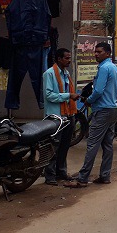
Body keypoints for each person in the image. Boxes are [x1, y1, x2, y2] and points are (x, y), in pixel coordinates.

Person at [74, 41, 117, 185]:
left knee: (92, 144)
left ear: (107, 53)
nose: (96, 54)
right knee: (108, 145)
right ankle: (105, 175)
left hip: (102, 110)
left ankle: (82, 178)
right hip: (113, 108)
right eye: (95, 52)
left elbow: (98, 91)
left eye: (99, 52)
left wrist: (89, 100)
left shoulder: (104, 68)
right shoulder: (114, 67)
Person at [4, 0, 52, 114]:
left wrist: (12, 33)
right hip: (36, 40)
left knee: (16, 75)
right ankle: (41, 102)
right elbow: (48, 17)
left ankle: (12, 103)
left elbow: (8, 14)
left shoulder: (17, 0)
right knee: (39, 75)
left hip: (20, 41)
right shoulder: (42, 0)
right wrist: (45, 35)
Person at [41, 49, 77, 186]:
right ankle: (49, 175)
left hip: (68, 114)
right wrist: (68, 96)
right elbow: (49, 95)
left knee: (64, 145)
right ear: (59, 59)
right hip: (55, 116)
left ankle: (61, 171)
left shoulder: (66, 74)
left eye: (69, 57)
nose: (69, 60)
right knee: (53, 146)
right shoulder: (49, 74)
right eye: (67, 58)